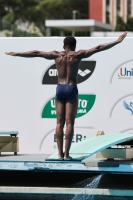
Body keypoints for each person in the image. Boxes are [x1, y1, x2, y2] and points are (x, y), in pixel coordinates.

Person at [5, 31, 127, 160]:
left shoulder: (56, 55)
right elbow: (98, 48)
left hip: (60, 89)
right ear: (74, 46)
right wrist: (116, 41)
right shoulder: (78, 54)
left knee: (59, 123)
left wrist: (17, 53)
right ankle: (67, 154)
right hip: (71, 88)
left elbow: (36, 53)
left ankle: (59, 154)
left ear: (64, 46)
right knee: (69, 123)